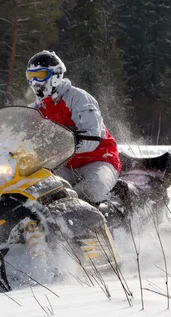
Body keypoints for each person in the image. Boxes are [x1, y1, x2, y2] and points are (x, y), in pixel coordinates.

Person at [26, 50, 121, 205]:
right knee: (39, 192)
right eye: (31, 76)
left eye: (41, 75)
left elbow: (94, 135)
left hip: (99, 159)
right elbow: (22, 135)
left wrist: (67, 143)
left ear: (55, 75)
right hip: (63, 165)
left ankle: (101, 222)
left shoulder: (78, 98)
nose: (35, 81)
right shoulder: (35, 109)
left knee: (90, 190)